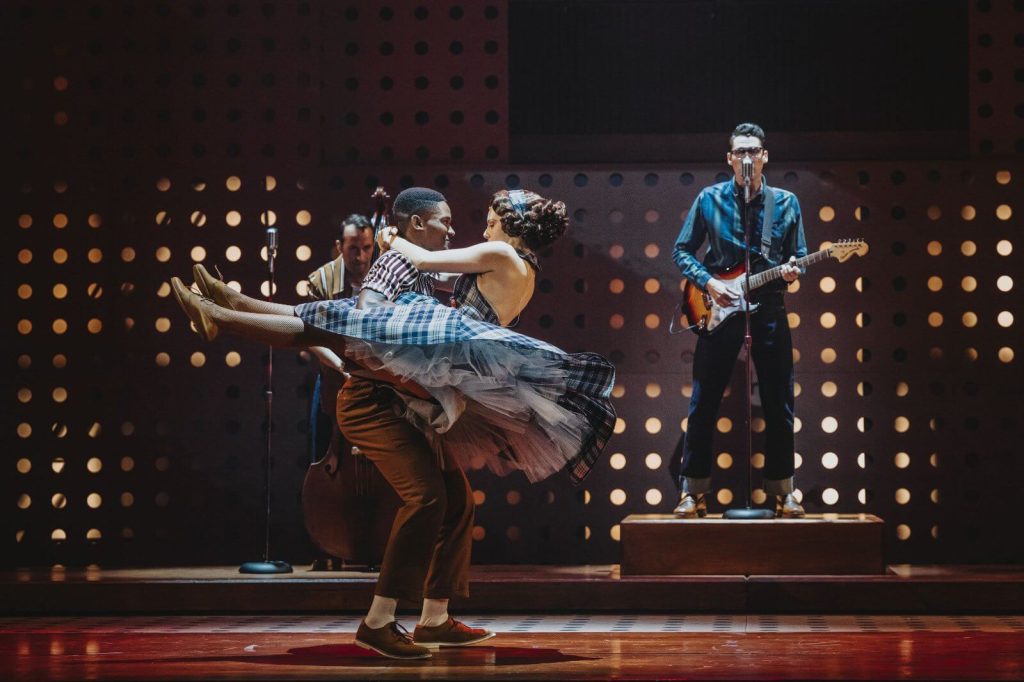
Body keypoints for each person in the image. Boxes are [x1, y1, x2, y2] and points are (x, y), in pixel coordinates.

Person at [170, 186, 614, 659]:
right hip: (419, 371)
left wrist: (391, 238)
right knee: (333, 323)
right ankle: (222, 306)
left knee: (333, 322)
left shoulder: (501, 252)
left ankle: (427, 619)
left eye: (491, 218)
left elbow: (423, 260)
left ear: (513, 225)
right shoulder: (516, 265)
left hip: (448, 347)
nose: (479, 226)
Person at [671, 123, 807, 519]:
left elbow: (798, 254)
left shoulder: (786, 203)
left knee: (780, 403)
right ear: (729, 158)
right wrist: (710, 282)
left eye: (754, 151)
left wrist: (795, 271)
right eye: (740, 152)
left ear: (766, 156)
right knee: (703, 402)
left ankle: (784, 491)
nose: (747, 158)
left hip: (769, 309)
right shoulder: (709, 199)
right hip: (719, 310)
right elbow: (682, 252)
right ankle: (692, 492)